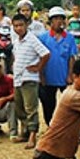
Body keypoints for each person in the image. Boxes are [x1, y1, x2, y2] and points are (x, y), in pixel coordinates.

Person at [10, 13, 50, 148]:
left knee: (30, 107)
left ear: (27, 25)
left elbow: (45, 54)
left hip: (29, 78)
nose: (18, 28)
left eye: (21, 25)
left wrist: (38, 67)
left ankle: (33, 135)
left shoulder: (32, 39)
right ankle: (25, 132)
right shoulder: (16, 41)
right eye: (15, 26)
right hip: (18, 78)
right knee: (19, 107)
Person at [39, 6, 78, 126]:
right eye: (55, 19)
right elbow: (40, 58)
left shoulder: (70, 38)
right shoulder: (43, 38)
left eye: (61, 19)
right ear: (50, 21)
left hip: (64, 76)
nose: (58, 22)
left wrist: (70, 75)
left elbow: (72, 57)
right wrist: (41, 76)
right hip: (48, 76)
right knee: (48, 104)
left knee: (69, 103)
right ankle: (51, 126)